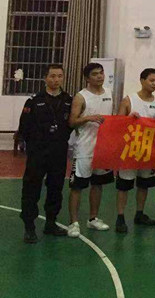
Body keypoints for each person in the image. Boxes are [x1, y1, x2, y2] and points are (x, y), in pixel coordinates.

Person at [18, 64, 72, 243]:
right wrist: (30, 145)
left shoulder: (68, 100)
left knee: (56, 187)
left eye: (59, 76)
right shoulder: (34, 100)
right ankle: (29, 227)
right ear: (45, 78)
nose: (56, 80)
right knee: (32, 187)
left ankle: (51, 222)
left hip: (58, 151)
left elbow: (71, 124)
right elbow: (24, 126)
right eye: (52, 76)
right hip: (38, 151)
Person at [67, 62, 114, 238]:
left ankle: (93, 218)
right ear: (87, 78)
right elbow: (72, 121)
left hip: (102, 147)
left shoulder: (109, 93)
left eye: (101, 73)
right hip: (84, 148)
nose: (100, 76)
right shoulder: (81, 97)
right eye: (95, 74)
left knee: (98, 184)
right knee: (77, 186)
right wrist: (88, 118)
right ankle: (73, 222)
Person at [114, 68, 155, 234]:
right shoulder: (129, 100)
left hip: (149, 150)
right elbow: (117, 123)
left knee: (144, 184)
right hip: (130, 150)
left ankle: (139, 213)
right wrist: (128, 119)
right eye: (151, 80)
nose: (154, 84)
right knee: (124, 185)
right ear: (142, 81)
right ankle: (120, 217)